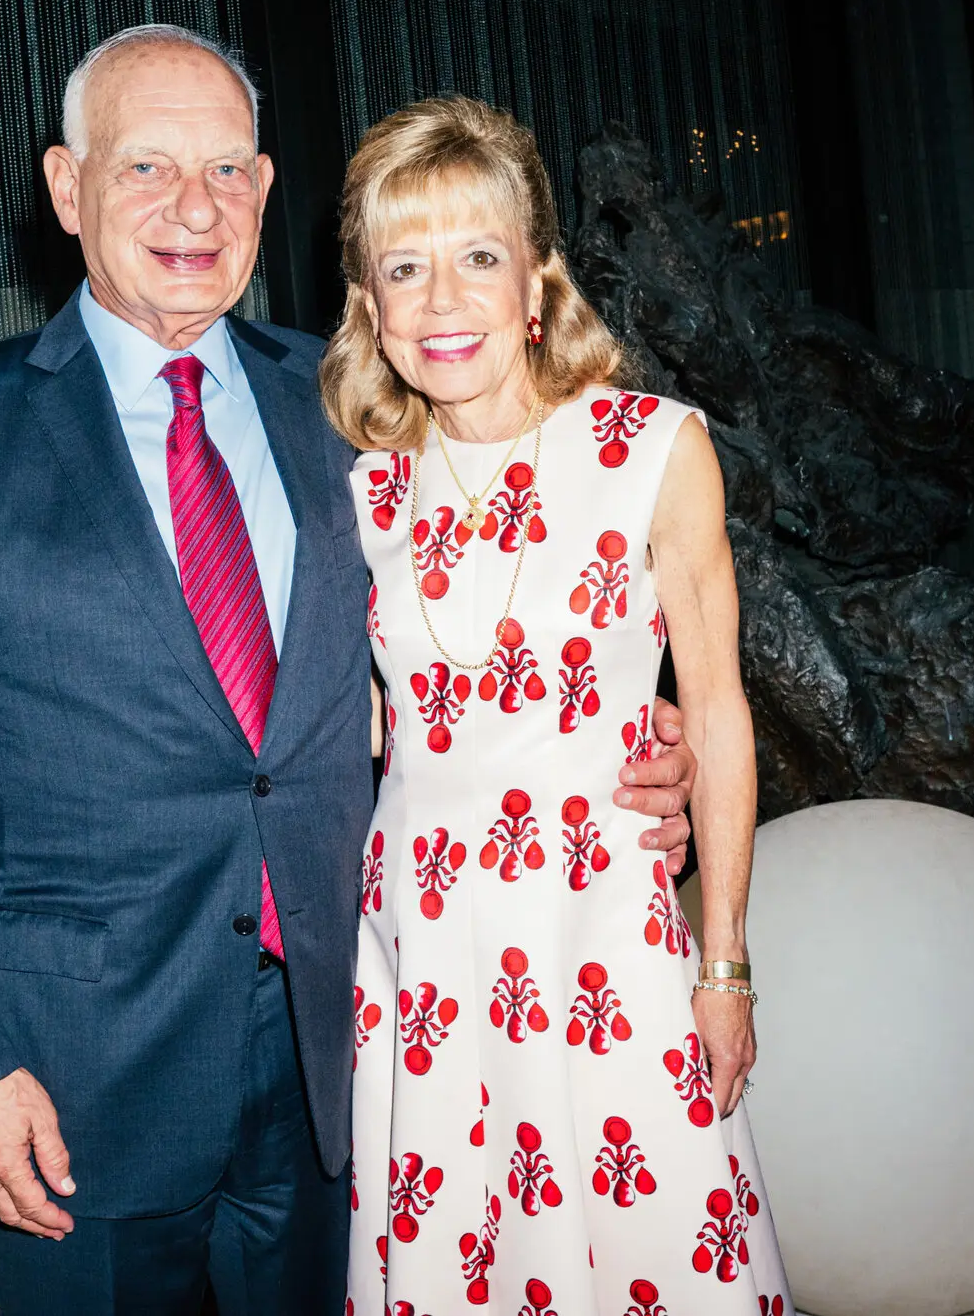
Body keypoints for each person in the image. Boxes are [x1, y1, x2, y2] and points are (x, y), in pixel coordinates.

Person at [0, 27, 699, 1315]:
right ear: (67, 189)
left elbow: (484, 622)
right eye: (147, 170)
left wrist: (632, 737)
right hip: (75, 1083)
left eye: (228, 171)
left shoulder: (350, 403)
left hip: (349, 1055)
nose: (194, 208)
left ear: (267, 190)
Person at [325, 95, 790, 1312]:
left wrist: (724, 962)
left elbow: (720, 707)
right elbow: (367, 731)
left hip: (601, 940)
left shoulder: (650, 446)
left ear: (534, 281)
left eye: (477, 259)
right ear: (370, 305)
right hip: (422, 954)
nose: (440, 303)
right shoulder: (364, 493)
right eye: (404, 268)